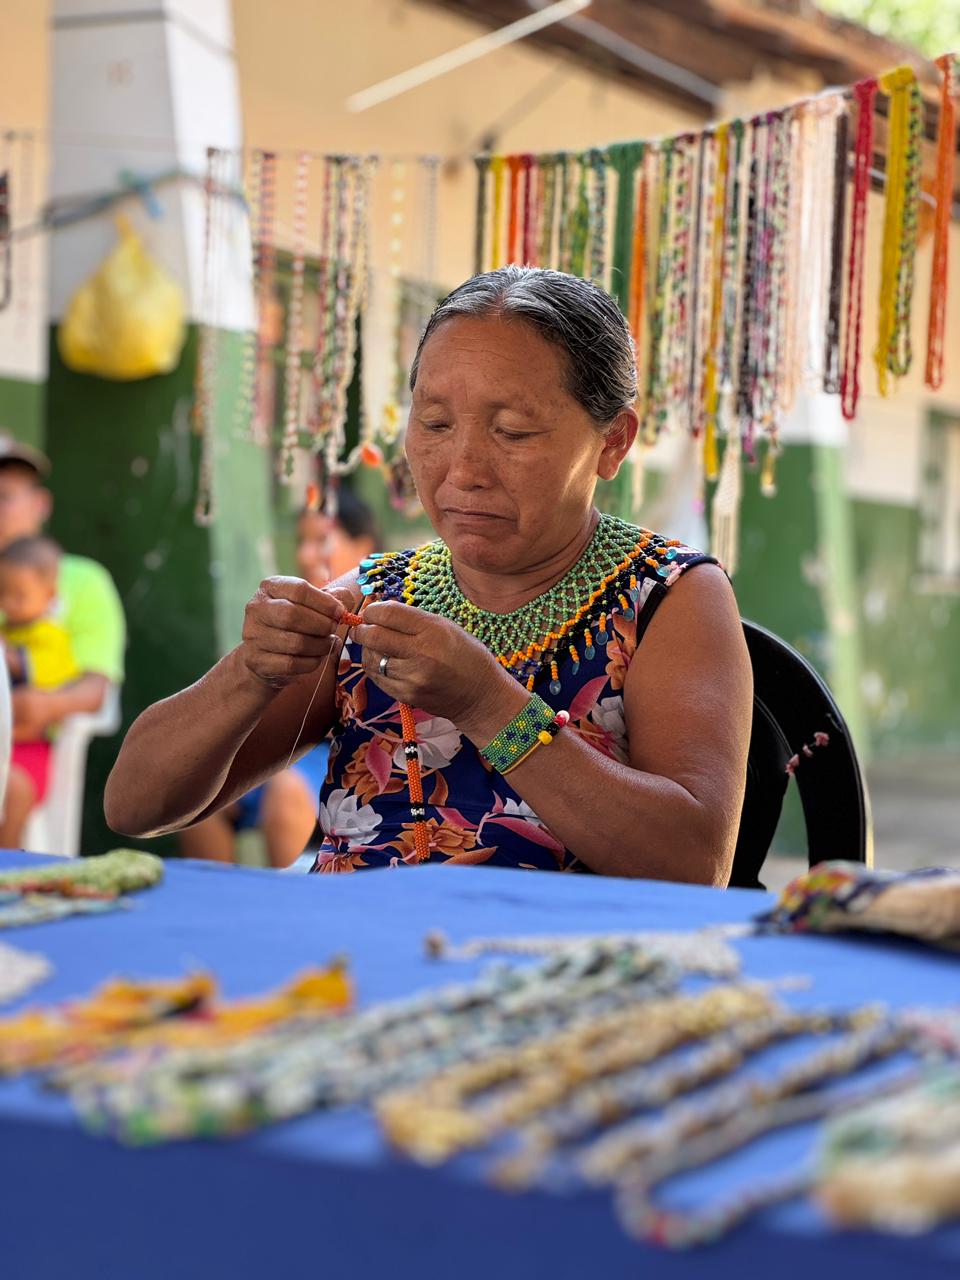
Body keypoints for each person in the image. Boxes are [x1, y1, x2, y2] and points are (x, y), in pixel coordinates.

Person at [106, 267, 752, 883]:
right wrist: (248, 671)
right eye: (435, 424)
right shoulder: (377, 599)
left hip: (557, 956)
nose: (463, 469)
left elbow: (694, 865)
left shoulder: (668, 596)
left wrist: (488, 704)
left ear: (612, 442)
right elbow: (134, 807)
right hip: (352, 948)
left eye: (513, 432)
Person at [177, 489, 380, 868]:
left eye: (321, 540)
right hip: (281, 756)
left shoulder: (386, 614)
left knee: (286, 794)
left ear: (364, 547)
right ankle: (222, 905)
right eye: (302, 541)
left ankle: (293, 907)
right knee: (194, 800)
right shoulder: (293, 611)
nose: (306, 555)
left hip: (349, 761)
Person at [0, 437, 125, 844]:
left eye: (4, 496)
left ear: (41, 504)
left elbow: (94, 689)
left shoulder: (82, 580)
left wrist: (37, 706)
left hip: (29, 743)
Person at [0, 536, 81, 844]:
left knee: (14, 789)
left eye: (19, 596)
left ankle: (6, 859)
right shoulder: (5, 631)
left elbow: (45, 675)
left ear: (49, 596)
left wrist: (10, 658)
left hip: (30, 751)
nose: (8, 603)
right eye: (2, 593)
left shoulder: (52, 637)